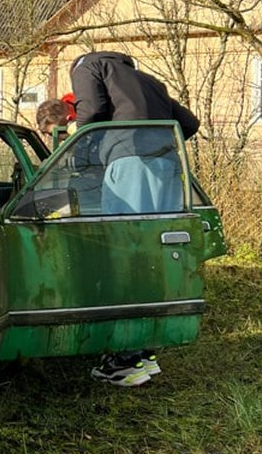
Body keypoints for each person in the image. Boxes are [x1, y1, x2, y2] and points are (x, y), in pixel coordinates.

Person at [70, 50, 199, 388]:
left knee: (124, 257)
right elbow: (189, 123)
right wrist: (157, 147)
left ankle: (126, 361)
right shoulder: (149, 81)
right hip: (168, 167)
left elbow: (92, 111)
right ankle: (146, 351)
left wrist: (79, 155)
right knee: (154, 258)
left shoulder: (87, 65)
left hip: (129, 164)